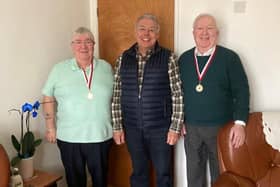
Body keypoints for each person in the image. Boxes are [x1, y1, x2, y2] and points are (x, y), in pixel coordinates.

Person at [111, 13, 184, 187]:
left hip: (161, 128)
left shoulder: (169, 57)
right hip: (132, 128)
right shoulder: (123, 58)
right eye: (142, 29)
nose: (146, 34)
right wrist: (117, 126)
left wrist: (175, 127)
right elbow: (116, 94)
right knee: (138, 173)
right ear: (135, 32)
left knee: (163, 174)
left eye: (151, 30)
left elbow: (177, 94)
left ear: (157, 34)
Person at [178, 13, 250, 186]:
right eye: (200, 29)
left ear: (217, 33)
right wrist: (178, 121)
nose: (204, 33)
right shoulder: (184, 59)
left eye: (209, 28)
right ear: (193, 33)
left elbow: (241, 91)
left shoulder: (230, 58)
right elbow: (177, 93)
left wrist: (240, 123)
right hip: (191, 128)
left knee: (221, 175)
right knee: (194, 174)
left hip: (222, 128)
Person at [42, 27, 113, 187]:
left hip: (100, 135)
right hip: (69, 137)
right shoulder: (59, 69)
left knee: (101, 179)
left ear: (93, 44)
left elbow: (116, 100)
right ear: (72, 46)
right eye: (78, 42)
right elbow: (47, 98)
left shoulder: (106, 68)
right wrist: (50, 127)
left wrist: (117, 127)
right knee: (75, 181)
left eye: (88, 41)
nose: (83, 46)